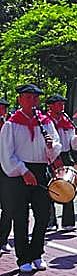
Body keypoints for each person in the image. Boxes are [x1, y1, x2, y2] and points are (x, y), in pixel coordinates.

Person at [0, 84, 62, 273]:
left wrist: (51, 147)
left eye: (35, 98)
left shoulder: (45, 122)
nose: (32, 101)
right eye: (28, 97)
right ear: (20, 99)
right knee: (20, 217)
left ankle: (37, 253)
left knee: (43, 215)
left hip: (40, 170)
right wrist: (23, 171)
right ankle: (23, 258)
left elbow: (56, 147)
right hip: (19, 174)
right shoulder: (11, 124)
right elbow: (6, 154)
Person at [45, 94, 77, 231]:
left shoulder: (67, 121)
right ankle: (51, 221)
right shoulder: (45, 121)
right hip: (50, 157)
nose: (62, 107)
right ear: (50, 106)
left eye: (62, 104)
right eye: (59, 104)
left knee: (69, 187)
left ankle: (68, 222)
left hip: (66, 156)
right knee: (50, 189)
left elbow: (74, 145)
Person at [0, 97, 12, 253]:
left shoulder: (10, 125)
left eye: (3, 109)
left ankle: (3, 239)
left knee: (8, 206)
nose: (2, 111)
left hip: (7, 170)